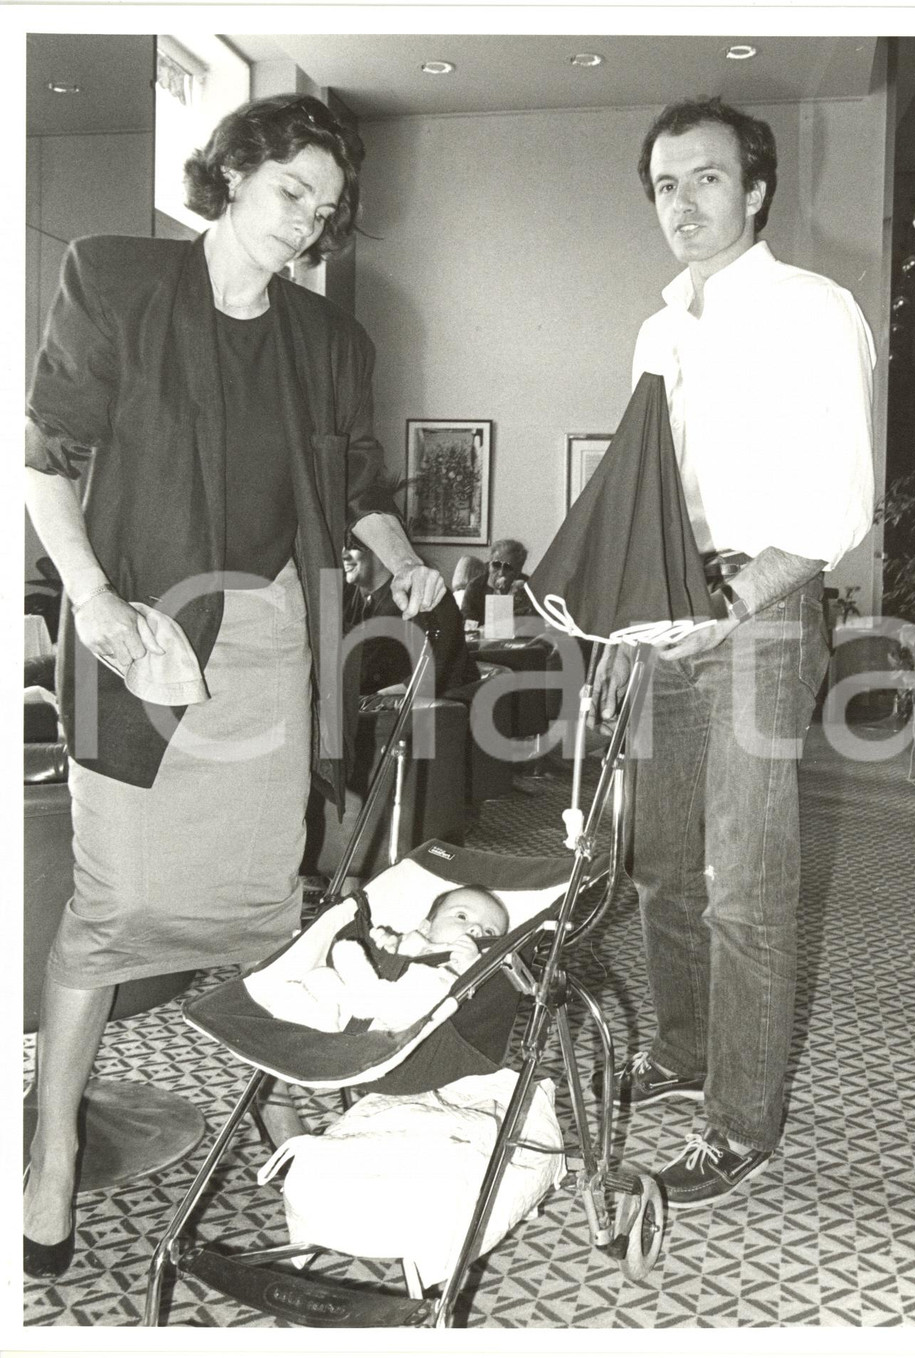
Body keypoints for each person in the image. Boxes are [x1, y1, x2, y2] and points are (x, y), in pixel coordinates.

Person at [22, 92, 445, 1278]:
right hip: (139, 634)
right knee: (112, 910)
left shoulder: (330, 342)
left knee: (267, 911)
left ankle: (279, 1115)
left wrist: (405, 563)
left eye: (324, 205)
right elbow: (41, 461)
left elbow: (360, 485)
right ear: (231, 177)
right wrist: (94, 604)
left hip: (267, 646)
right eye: (287, 192)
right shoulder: (115, 280)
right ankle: (51, 1147)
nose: (306, 221)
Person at [594, 97, 874, 1206]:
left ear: (754, 190)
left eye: (704, 178)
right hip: (666, 613)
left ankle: (739, 1120)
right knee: (660, 860)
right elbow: (651, 489)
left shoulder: (816, 308)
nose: (682, 201)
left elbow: (840, 496)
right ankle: (682, 1048)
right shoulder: (658, 328)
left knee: (743, 885)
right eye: (664, 184)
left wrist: (741, 591)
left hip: (758, 616)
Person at [266, 886, 509, 1033]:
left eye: (489, 932)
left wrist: (472, 963)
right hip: (363, 1010)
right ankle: (324, 1020)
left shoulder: (472, 962)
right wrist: (385, 944)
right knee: (322, 976)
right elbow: (390, 959)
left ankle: (364, 997)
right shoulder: (416, 940)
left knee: (349, 953)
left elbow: (481, 993)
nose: (476, 929)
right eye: (462, 916)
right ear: (427, 927)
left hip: (406, 1019)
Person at [342, 538, 477, 695]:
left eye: (352, 546)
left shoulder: (424, 594)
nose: (343, 554)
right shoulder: (349, 596)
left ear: (383, 549)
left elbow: (436, 674)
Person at [459, 538, 534, 624]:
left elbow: (535, 624)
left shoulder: (528, 587)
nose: (501, 573)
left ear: (518, 571)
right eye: (496, 565)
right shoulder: (475, 587)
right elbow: (468, 622)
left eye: (508, 567)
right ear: (489, 564)